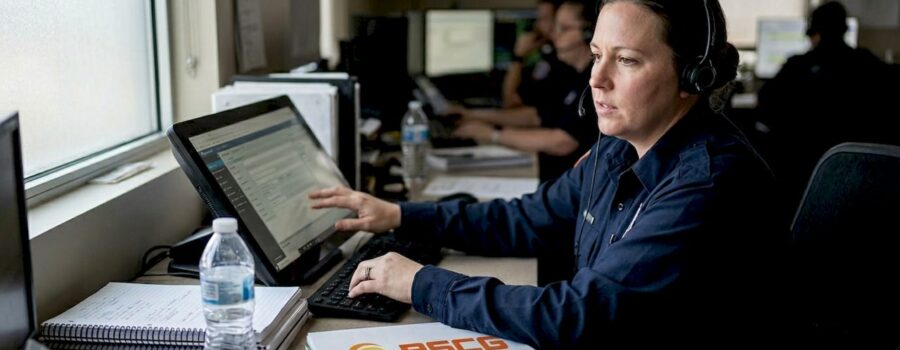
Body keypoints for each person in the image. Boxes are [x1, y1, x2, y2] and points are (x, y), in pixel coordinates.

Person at [311, 0, 777, 347]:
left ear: (691, 77)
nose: (597, 79)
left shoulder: (707, 184)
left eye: (627, 60)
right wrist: (399, 215)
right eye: (597, 55)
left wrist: (421, 284)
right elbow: (526, 220)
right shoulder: (618, 149)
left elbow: (578, 315)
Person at [755, 1, 895, 223]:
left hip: (801, 186)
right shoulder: (870, 64)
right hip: (863, 187)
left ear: (814, 34)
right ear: (845, 31)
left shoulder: (797, 67)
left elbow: (765, 107)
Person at [453, 0, 599, 184]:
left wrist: (493, 134)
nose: (554, 35)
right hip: (555, 181)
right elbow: (538, 115)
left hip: (571, 190)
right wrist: (476, 117)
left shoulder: (595, 82)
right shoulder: (571, 74)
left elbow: (563, 142)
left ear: (589, 34)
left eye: (564, 28)